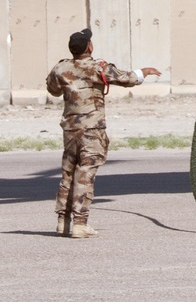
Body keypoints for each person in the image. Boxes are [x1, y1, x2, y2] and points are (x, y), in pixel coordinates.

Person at [46, 27, 161, 238]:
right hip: (92, 130)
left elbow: (52, 90)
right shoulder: (98, 67)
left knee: (68, 174)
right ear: (89, 47)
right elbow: (127, 78)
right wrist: (143, 72)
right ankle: (80, 224)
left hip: (70, 129)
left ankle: (63, 222)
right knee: (85, 174)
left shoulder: (60, 68)